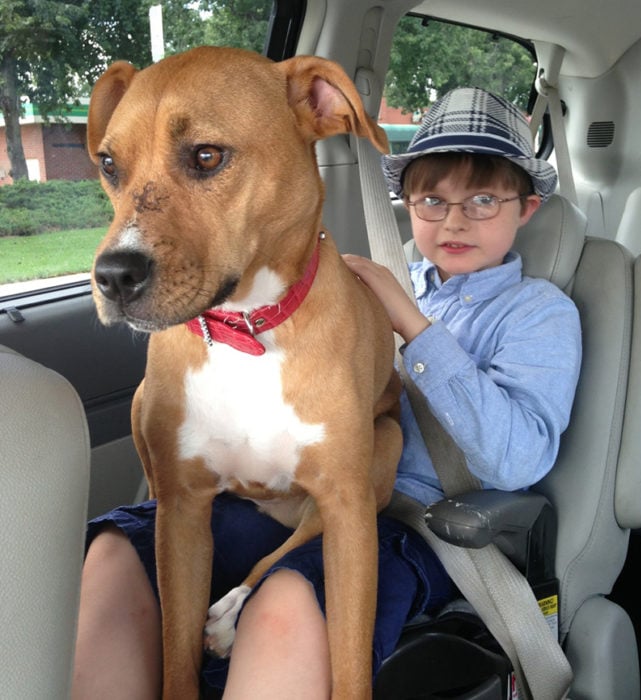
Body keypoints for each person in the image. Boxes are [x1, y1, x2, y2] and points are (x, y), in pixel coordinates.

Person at [72, 87, 582, 699]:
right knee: (113, 553)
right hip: (294, 503)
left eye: (482, 200)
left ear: (526, 207)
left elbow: (517, 460)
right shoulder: (367, 277)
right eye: (431, 199)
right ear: (408, 203)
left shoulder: (538, 313)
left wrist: (414, 329)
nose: (452, 220)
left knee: (285, 600)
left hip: (424, 528)